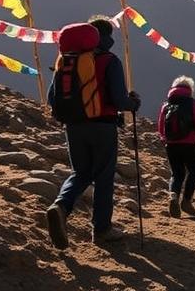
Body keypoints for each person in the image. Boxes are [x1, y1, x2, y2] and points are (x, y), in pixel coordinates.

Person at [46, 18, 141, 249]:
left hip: (73, 126)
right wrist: (133, 103)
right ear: (105, 37)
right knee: (103, 176)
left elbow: (52, 98)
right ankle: (101, 230)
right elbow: (119, 99)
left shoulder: (65, 61)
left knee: (80, 172)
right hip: (103, 126)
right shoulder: (109, 61)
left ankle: (61, 205)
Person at [157, 75, 195, 218]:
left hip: (171, 145)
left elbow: (161, 128)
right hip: (190, 145)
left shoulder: (166, 105)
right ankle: (186, 201)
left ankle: (173, 195)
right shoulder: (192, 104)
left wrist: (165, 140)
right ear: (189, 89)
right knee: (194, 171)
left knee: (177, 173)